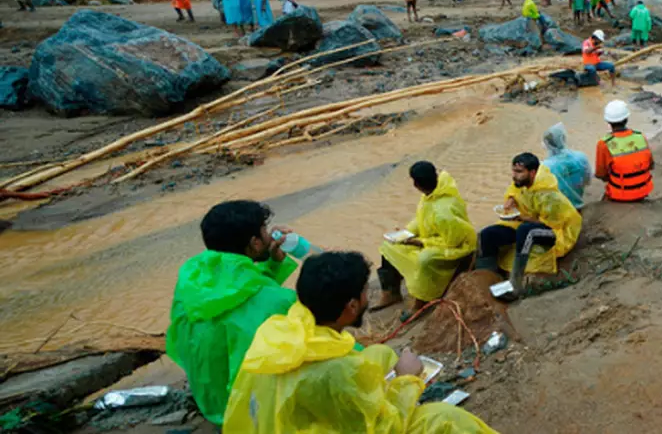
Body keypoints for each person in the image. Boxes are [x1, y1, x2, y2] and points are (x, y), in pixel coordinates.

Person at [223, 251, 498, 433]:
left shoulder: (280, 328)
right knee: (446, 419)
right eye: (366, 292)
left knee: (379, 353)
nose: (368, 297)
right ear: (352, 306)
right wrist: (407, 381)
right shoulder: (335, 371)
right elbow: (382, 429)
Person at [166, 201, 299, 425]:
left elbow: (239, 296)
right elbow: (259, 302)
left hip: (211, 403)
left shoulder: (192, 279)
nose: (269, 236)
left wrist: (274, 264)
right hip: (246, 415)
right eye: (264, 232)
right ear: (255, 243)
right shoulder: (277, 301)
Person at [377, 161, 476, 311]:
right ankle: (391, 292)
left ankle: (422, 299)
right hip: (435, 240)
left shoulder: (444, 211)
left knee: (425, 259)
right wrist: (406, 233)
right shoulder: (432, 194)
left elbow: (452, 241)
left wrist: (420, 242)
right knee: (388, 246)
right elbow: (421, 218)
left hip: (458, 247)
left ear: (416, 185)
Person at [477, 153, 582, 294]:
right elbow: (514, 190)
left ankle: (516, 283)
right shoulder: (522, 183)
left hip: (557, 231)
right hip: (527, 221)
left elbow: (550, 224)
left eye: (519, 172)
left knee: (527, 231)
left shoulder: (548, 195)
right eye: (513, 171)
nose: (514, 175)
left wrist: (520, 217)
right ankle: (485, 278)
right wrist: (511, 199)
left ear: (532, 173)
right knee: (488, 234)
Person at [595, 100, 654, 201]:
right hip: (644, 190)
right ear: (626, 119)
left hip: (620, 194)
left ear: (608, 122)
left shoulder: (604, 144)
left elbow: (600, 174)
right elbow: (651, 165)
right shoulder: (640, 137)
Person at [542, 123, 590, 210]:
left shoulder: (545, 166)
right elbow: (587, 180)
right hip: (578, 203)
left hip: (559, 210)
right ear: (564, 138)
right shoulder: (581, 157)